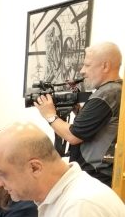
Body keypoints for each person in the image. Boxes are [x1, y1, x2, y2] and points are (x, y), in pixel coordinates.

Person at [35, 41, 122, 186]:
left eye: (87, 65)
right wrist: (79, 112)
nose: (82, 71)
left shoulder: (107, 94)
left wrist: (49, 115)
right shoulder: (115, 90)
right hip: (97, 177)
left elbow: (73, 136)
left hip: (95, 178)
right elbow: (99, 127)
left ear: (105, 66)